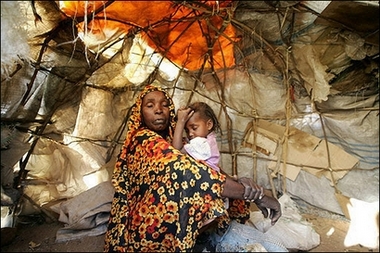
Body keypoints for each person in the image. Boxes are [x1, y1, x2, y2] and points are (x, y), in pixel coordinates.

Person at [103, 84, 282, 252]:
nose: (158, 110)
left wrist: (235, 182)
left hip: (167, 215)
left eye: (164, 105)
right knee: (198, 181)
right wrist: (256, 195)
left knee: (212, 186)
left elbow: (204, 168)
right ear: (140, 113)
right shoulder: (142, 139)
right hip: (143, 225)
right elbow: (189, 171)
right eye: (150, 105)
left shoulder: (173, 138)